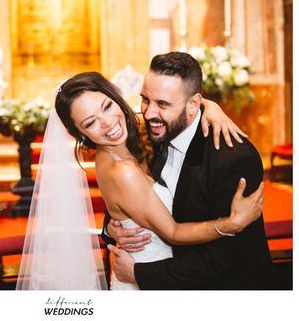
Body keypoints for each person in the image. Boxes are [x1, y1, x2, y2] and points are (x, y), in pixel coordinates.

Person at [16, 65, 263, 290]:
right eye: (90, 122)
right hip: (147, 282)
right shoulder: (122, 166)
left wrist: (210, 106)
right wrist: (230, 224)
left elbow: (224, 262)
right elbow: (173, 232)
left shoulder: (145, 135)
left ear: (115, 98)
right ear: (79, 133)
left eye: (107, 106)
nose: (107, 123)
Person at [104, 52, 272, 289]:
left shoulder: (233, 160)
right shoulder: (152, 136)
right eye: (145, 99)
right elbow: (123, 194)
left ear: (193, 105)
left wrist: (139, 274)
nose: (149, 112)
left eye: (162, 104)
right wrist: (114, 228)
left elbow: (219, 261)